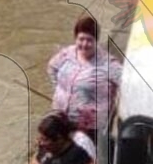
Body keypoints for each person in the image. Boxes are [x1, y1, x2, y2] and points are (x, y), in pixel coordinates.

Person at [45, 14, 118, 146]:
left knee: (82, 156)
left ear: (96, 41)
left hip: (90, 124)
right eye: (81, 39)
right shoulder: (67, 54)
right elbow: (51, 67)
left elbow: (126, 83)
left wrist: (112, 104)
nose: (84, 44)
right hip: (62, 115)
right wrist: (59, 90)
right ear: (76, 38)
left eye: (89, 40)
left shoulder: (107, 63)